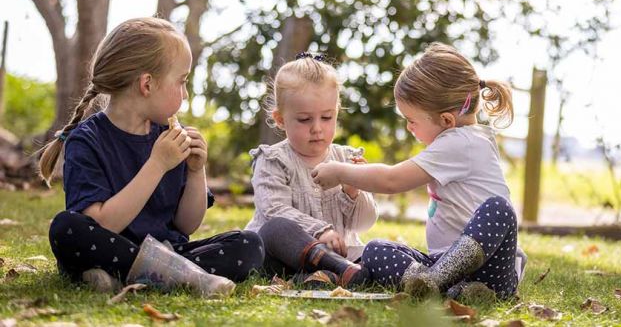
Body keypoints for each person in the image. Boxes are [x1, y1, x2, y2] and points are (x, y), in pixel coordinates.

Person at [41, 17, 263, 297]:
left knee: (249, 244)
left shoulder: (169, 135)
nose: (185, 93)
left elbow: (186, 225)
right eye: (181, 81)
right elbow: (103, 224)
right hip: (111, 247)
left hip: (169, 249)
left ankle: (128, 278)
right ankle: (187, 276)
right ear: (147, 84)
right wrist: (157, 164)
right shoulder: (87, 140)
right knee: (66, 229)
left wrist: (196, 171)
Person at [312, 43, 527, 300]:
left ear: (447, 120)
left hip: (492, 271)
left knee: (498, 209)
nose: (409, 127)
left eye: (412, 120)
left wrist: (340, 172)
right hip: (447, 263)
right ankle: (446, 289)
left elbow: (392, 180)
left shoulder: (460, 142)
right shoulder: (470, 138)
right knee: (374, 250)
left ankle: (435, 282)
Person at [245, 52, 377, 289]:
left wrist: (353, 191)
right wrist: (320, 231)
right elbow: (273, 209)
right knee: (274, 230)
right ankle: (333, 270)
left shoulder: (346, 159)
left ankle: (326, 274)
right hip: (283, 257)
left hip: (342, 255)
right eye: (305, 119)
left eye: (327, 117)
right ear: (280, 119)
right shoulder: (273, 159)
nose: (317, 128)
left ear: (336, 112)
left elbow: (364, 224)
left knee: (376, 251)